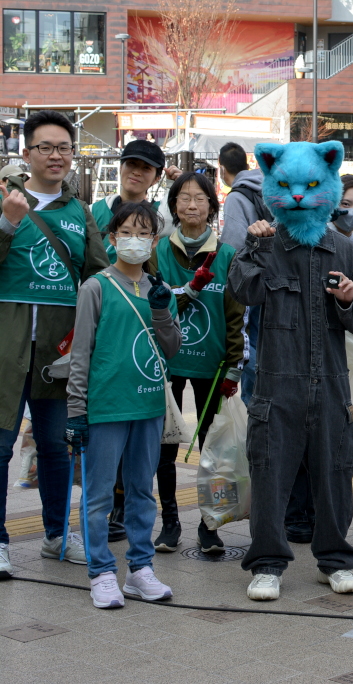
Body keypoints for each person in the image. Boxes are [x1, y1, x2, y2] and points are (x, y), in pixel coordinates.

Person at [228, 140, 353, 601]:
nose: (297, 196)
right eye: (287, 186)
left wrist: (350, 301)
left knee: (335, 474)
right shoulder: (266, 243)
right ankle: (267, 564)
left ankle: (335, 561)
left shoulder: (346, 250)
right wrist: (253, 244)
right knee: (269, 473)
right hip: (275, 382)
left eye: (308, 186)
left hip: (332, 383)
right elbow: (241, 292)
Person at [0, 110, 109, 579]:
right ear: (26, 154)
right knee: (0, 448)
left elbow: (98, 277)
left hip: (58, 356)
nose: (56, 155)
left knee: (54, 446)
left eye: (64, 147)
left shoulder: (80, 212)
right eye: (45, 147)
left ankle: (56, 534)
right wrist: (7, 224)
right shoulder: (5, 202)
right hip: (6, 350)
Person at [65, 201, 182, 609]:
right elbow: (81, 354)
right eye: (127, 232)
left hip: (148, 406)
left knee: (141, 492)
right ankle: (100, 572)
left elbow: (171, 348)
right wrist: (76, 411)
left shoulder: (158, 289)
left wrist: (163, 310)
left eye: (144, 233)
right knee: (97, 495)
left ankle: (140, 569)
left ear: (154, 241)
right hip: (106, 407)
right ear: (112, 238)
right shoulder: (95, 287)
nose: (135, 240)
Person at [150, 171, 245, 554]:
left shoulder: (227, 256)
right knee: (164, 447)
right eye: (184, 198)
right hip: (167, 362)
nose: (191, 205)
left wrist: (234, 363)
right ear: (173, 205)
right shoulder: (157, 253)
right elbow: (156, 306)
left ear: (212, 206)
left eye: (200, 198)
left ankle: (212, 524)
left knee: (215, 450)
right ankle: (170, 522)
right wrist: (186, 290)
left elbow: (236, 316)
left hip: (213, 364)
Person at [219, 142, 269, 407]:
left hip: (251, 281)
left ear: (221, 168)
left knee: (250, 346)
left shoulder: (238, 196)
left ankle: (252, 403)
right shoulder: (266, 186)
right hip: (275, 279)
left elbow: (233, 244)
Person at [92, 141, 180, 264]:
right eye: (132, 164)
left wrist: (177, 186)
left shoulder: (159, 215)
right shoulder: (94, 211)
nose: (137, 172)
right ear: (121, 167)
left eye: (146, 168)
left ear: (156, 179)